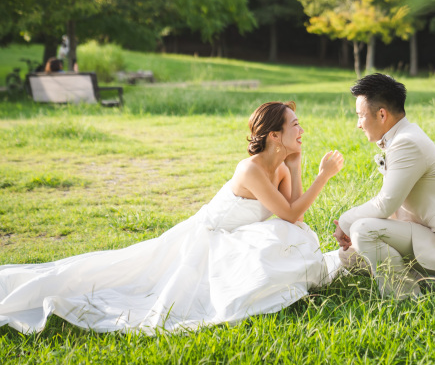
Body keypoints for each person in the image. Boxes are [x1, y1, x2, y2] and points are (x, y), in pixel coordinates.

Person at [0, 101, 344, 334]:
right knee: (128, 282)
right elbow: (291, 211)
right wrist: (323, 176)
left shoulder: (281, 167)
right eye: (295, 125)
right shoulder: (251, 169)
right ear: (273, 135)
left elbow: (293, 217)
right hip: (205, 238)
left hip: (231, 238)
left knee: (295, 235)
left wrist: (296, 166)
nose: (302, 130)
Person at [334, 74, 435, 299]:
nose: (358, 124)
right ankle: (432, 283)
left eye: (360, 116)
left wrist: (345, 221)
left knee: (361, 229)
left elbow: (385, 204)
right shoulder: (403, 136)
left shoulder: (407, 142)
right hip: (422, 234)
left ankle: (405, 297)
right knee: (348, 258)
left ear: (381, 114)